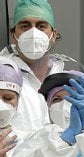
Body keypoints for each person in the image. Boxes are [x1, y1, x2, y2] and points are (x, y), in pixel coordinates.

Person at [1, 0, 61, 132]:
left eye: (41, 26)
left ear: (53, 35)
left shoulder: (64, 80)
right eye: (25, 26)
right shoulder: (3, 76)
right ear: (13, 36)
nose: (33, 33)